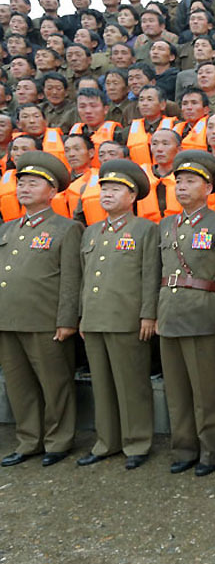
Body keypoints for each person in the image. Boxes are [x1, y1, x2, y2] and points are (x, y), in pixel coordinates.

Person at [157, 150, 215, 477]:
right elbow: (155, 275)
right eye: (178, 181)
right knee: (176, 392)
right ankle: (184, 448)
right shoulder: (164, 225)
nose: (182, 187)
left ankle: (213, 451)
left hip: (205, 314)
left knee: (208, 392)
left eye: (191, 181)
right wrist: (152, 315)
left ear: (208, 188)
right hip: (170, 314)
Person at [0, 151, 82, 468]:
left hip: (45, 320)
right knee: (19, 386)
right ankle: (28, 440)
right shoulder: (6, 229)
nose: (24, 188)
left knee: (55, 383)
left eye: (33, 183)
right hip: (8, 319)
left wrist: (66, 320)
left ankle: (59, 440)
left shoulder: (66, 228)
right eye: (21, 183)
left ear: (51, 191)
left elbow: (71, 279)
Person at [76, 160, 159, 471]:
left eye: (115, 189)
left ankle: (137, 443)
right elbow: (85, 278)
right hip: (95, 319)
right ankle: (106, 442)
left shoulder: (145, 229)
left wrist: (148, 315)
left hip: (127, 320)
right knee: (102, 384)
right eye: (104, 188)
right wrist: (82, 316)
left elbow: (150, 275)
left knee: (131, 384)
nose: (107, 194)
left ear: (133, 195)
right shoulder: (91, 232)